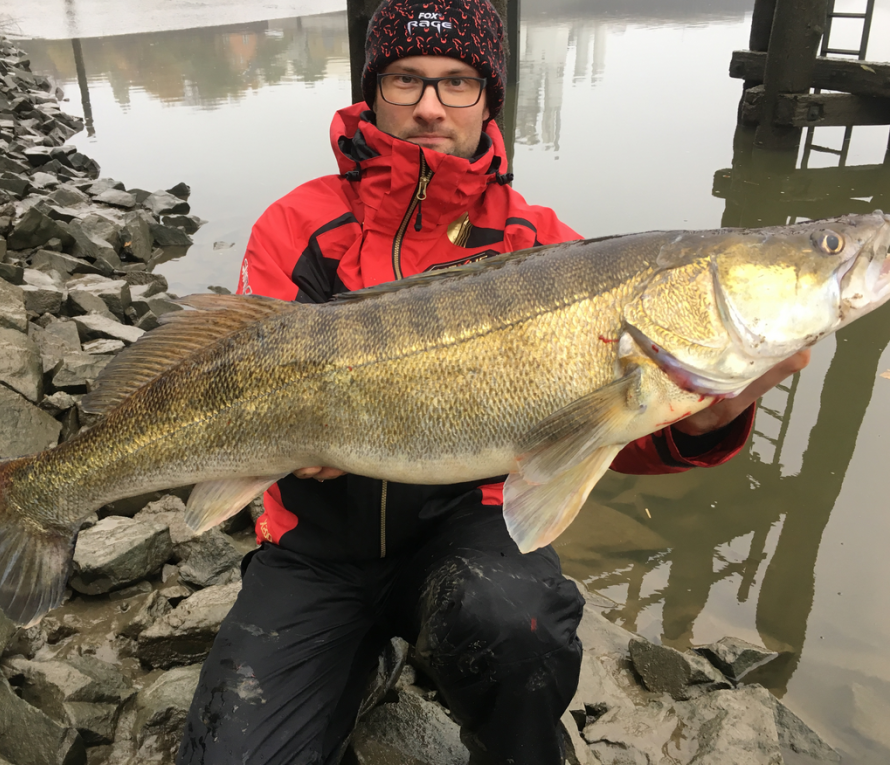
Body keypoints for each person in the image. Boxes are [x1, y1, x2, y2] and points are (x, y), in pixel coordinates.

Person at [177, 1, 810, 763]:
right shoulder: (297, 224)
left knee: (519, 628)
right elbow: (240, 377)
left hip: (467, 528)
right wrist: (275, 442)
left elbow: (592, 430)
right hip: (318, 545)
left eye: (457, 83)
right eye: (407, 79)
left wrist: (692, 424)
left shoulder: (546, 248)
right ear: (373, 90)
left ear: (491, 96)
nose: (429, 105)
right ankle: (360, 658)